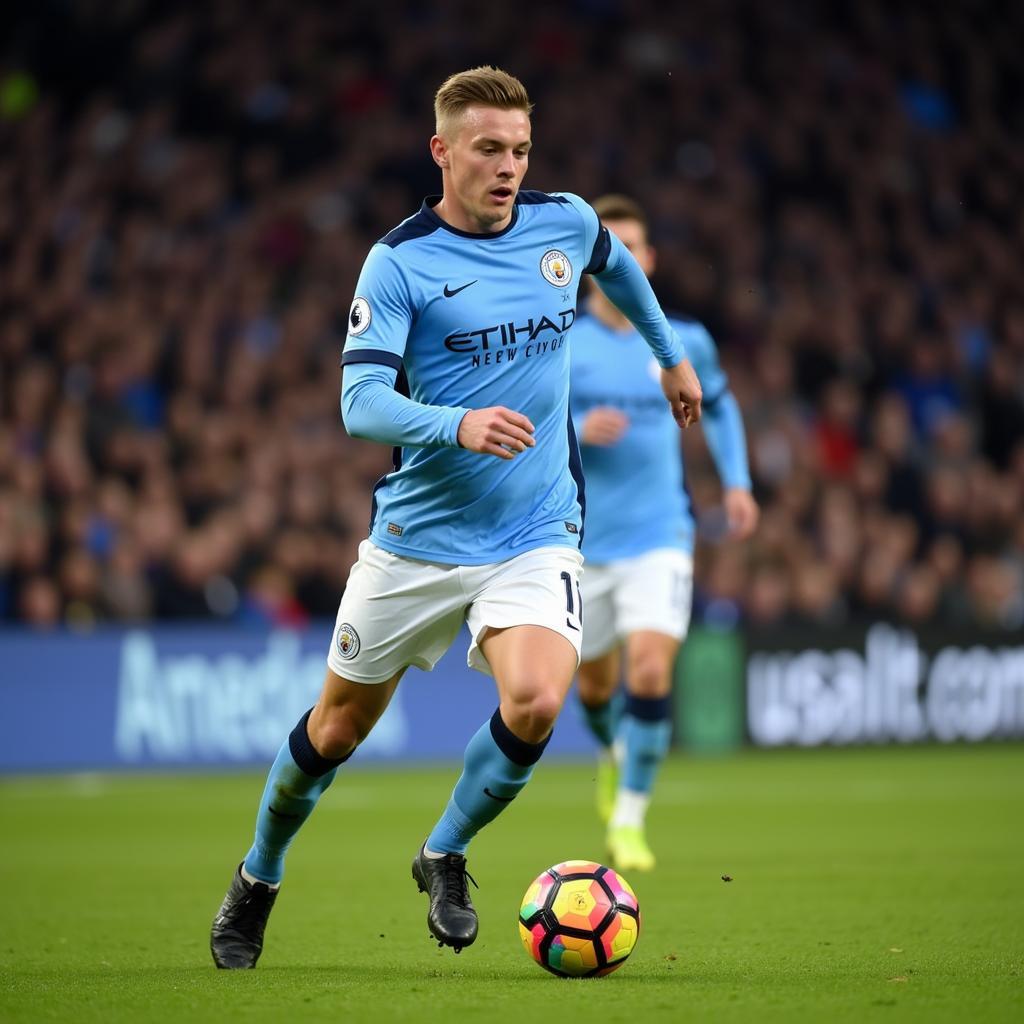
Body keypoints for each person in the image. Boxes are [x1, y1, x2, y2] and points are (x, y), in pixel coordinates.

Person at [210, 68, 703, 969]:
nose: (508, 166)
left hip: (537, 530)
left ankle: (444, 852)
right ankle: (258, 876)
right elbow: (360, 403)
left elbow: (618, 266)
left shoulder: (567, 224)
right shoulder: (399, 261)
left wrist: (669, 357)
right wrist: (456, 424)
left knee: (538, 700)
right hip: (416, 543)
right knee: (333, 735)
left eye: (519, 149)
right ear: (442, 151)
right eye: (488, 149)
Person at [569, 194, 759, 872]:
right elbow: (515, 422)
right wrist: (574, 428)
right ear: (594, 263)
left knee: (650, 670)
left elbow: (723, 404)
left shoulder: (682, 339)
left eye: (633, 247)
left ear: (647, 259)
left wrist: (736, 481)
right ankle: (610, 751)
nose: (621, 257)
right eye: (608, 246)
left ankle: (629, 822)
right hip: (580, 544)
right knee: (594, 688)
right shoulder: (559, 340)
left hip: (660, 534)